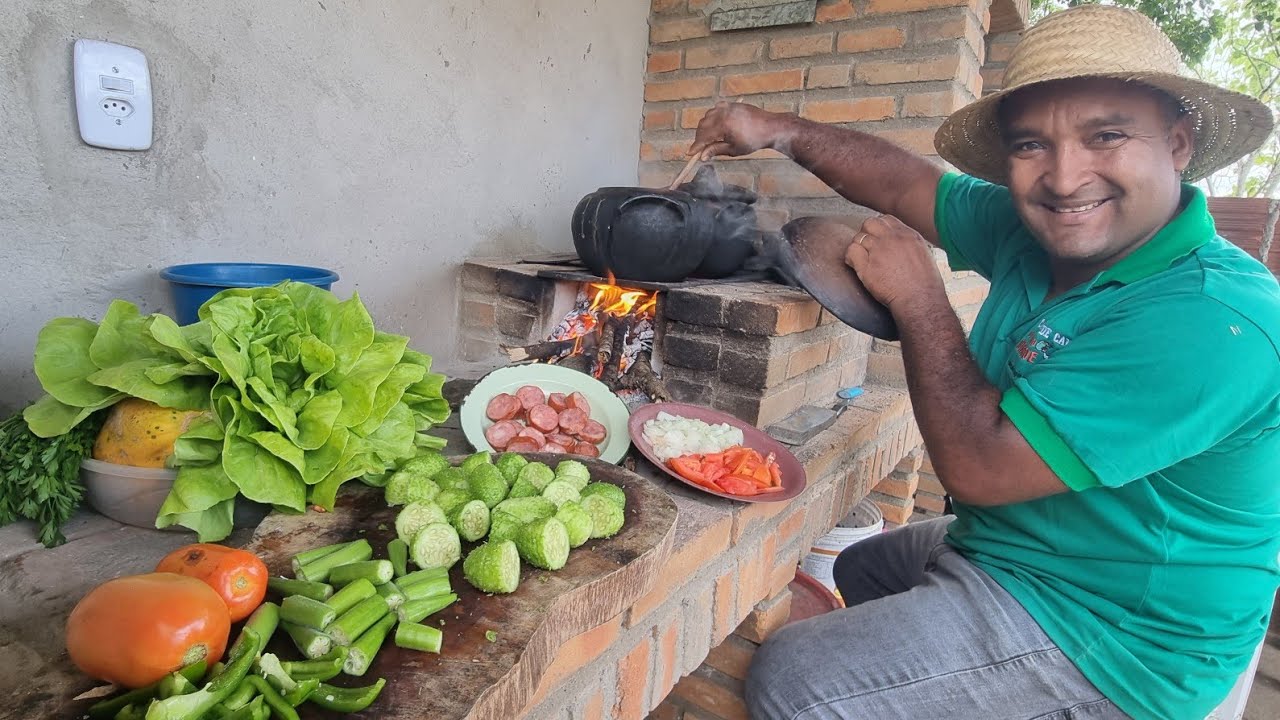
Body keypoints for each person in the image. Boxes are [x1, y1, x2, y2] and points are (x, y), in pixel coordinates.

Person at [688, 6, 1280, 720]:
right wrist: (774, 127)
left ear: (1178, 145)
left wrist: (918, 297)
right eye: (1032, 145)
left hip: (1118, 633)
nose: (1064, 178)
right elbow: (905, 185)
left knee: (794, 677)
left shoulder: (1213, 319)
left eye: (1106, 136)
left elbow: (976, 467)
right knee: (860, 564)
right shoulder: (1044, 232)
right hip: (1041, 546)